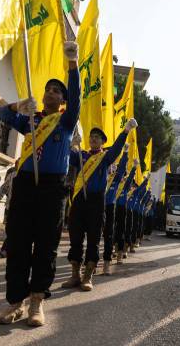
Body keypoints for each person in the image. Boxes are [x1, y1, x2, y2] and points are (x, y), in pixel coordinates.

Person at [0, 41, 81, 327]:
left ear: (62, 100)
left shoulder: (65, 122)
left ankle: (36, 303)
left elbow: (77, 98)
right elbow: (3, 115)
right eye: (48, 88)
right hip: (25, 186)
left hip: (52, 188)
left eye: (57, 90)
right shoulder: (30, 120)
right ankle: (14, 303)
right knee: (18, 243)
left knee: (45, 246)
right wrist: (19, 105)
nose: (50, 92)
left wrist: (73, 63)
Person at [62, 120, 137, 292]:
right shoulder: (81, 155)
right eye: (91, 137)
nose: (93, 139)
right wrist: (70, 143)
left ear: (103, 142)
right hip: (79, 200)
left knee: (94, 239)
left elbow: (116, 150)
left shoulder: (104, 158)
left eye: (97, 138)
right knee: (75, 238)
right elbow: (66, 154)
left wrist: (125, 131)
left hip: (96, 201)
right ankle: (75, 275)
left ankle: (87, 276)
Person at [101, 144, 130, 274]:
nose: (112, 166)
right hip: (97, 204)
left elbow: (122, 167)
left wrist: (125, 153)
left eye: (113, 164)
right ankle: (91, 263)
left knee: (110, 234)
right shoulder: (99, 171)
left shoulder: (116, 179)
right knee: (94, 235)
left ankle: (107, 262)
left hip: (112, 206)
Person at [113, 162, 138, 263]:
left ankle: (120, 253)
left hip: (123, 209)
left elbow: (131, 177)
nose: (122, 177)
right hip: (112, 207)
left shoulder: (126, 186)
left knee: (122, 231)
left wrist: (134, 167)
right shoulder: (113, 181)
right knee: (111, 231)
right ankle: (113, 250)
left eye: (123, 175)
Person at [0, 164, 17, 258]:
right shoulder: (12, 174)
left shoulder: (30, 175)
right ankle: (9, 248)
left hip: (20, 208)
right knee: (9, 229)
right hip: (9, 206)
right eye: (16, 163)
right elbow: (4, 187)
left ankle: (5, 249)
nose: (17, 165)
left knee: (13, 229)